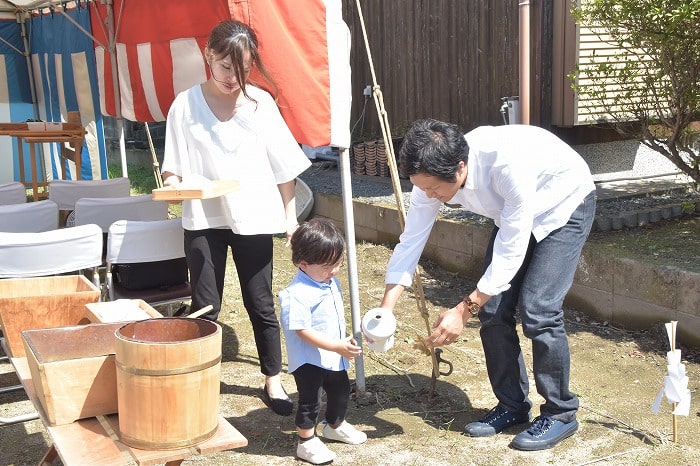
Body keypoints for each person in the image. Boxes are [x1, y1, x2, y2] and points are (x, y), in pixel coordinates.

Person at [379, 119, 596, 451]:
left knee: (539, 308)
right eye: (422, 188)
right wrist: (386, 310)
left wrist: (464, 310)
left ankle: (561, 412)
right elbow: (411, 240)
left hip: (564, 202)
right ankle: (512, 405)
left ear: (461, 167)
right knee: (493, 310)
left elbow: (511, 248)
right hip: (514, 214)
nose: (428, 195)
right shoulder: (430, 176)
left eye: (433, 189)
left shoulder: (506, 164)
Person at [161, 19, 311, 416]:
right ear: (209, 55)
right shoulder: (185, 104)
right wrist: (173, 182)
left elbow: (285, 171)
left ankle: (273, 379)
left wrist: (290, 219)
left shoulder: (261, 104)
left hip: (255, 218)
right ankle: (197, 378)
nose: (234, 78)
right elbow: (172, 166)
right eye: (227, 68)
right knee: (205, 304)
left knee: (259, 301)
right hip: (203, 217)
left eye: (243, 70)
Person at [279, 218, 367, 464]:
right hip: (309, 360)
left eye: (338, 264)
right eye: (328, 267)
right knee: (310, 400)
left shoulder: (327, 281)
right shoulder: (296, 294)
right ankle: (306, 442)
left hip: (332, 354)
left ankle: (335, 425)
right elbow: (302, 331)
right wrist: (337, 345)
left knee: (340, 391)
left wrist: (343, 340)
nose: (334, 271)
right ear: (303, 264)